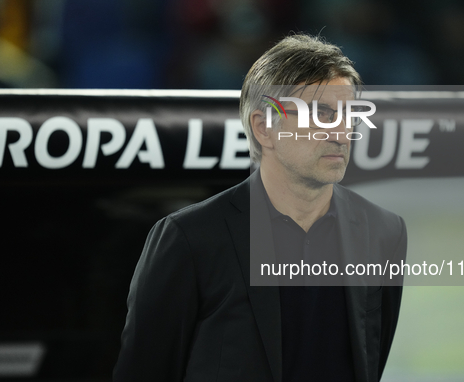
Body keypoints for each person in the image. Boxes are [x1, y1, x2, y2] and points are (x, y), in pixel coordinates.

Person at [113, 33, 407, 382]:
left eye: (349, 114)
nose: (341, 132)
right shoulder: (189, 238)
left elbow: (371, 359)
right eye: (321, 114)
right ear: (264, 128)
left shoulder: (384, 232)